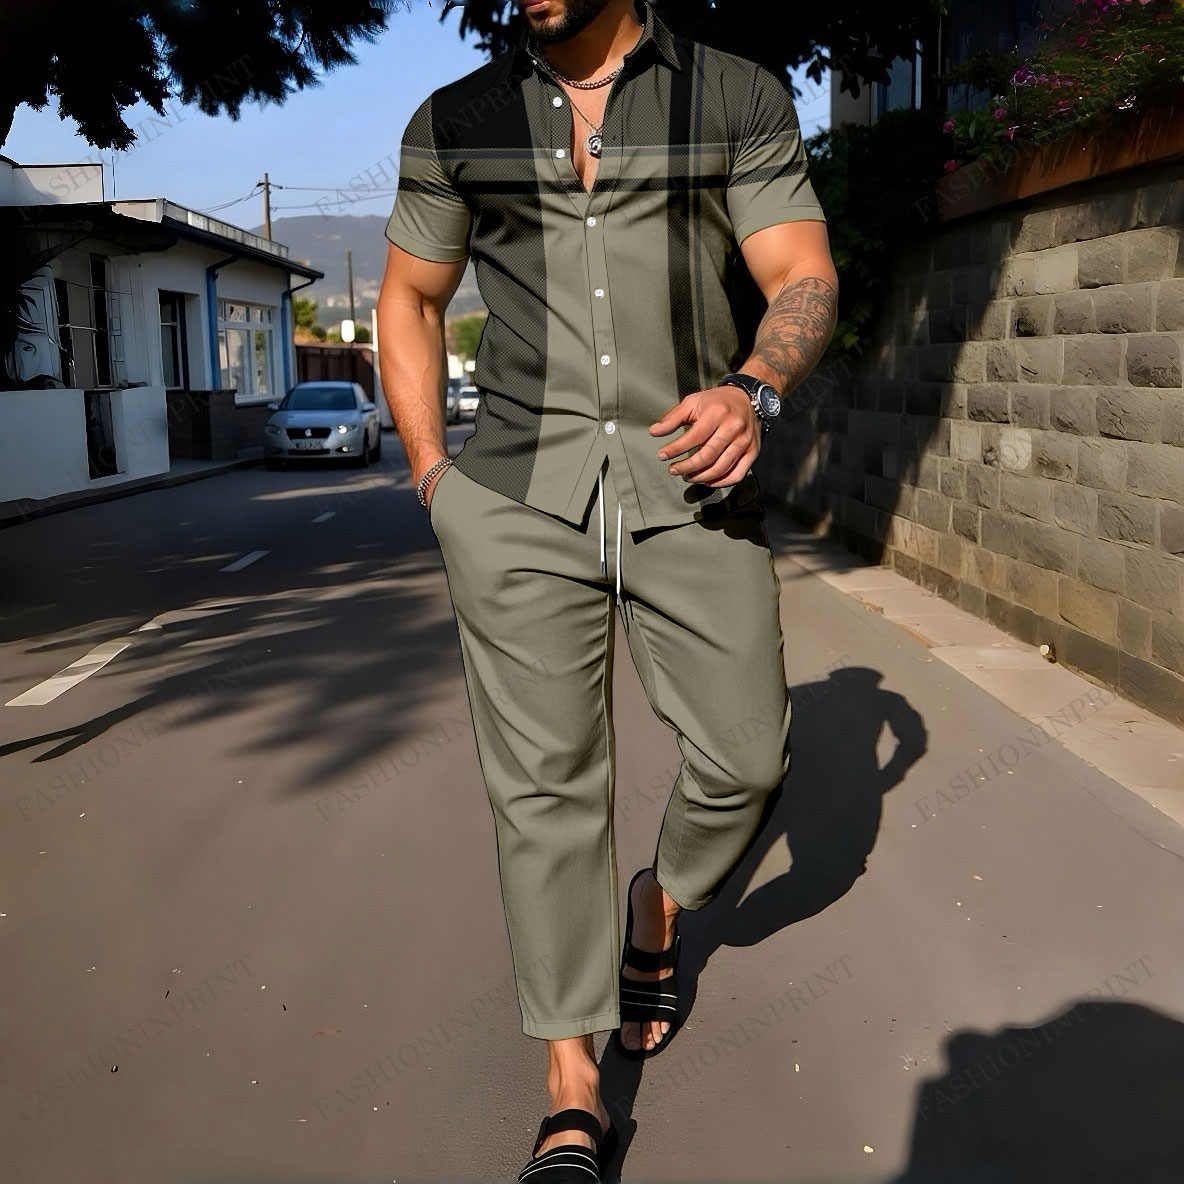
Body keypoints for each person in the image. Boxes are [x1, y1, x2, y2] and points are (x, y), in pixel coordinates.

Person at [375, 0, 838, 1176]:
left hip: (689, 477)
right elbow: (411, 297)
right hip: (514, 496)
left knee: (748, 755)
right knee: (544, 788)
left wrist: (754, 387)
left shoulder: (732, 95)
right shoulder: (455, 121)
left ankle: (658, 901)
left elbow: (800, 272)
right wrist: (432, 476)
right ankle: (570, 1086)